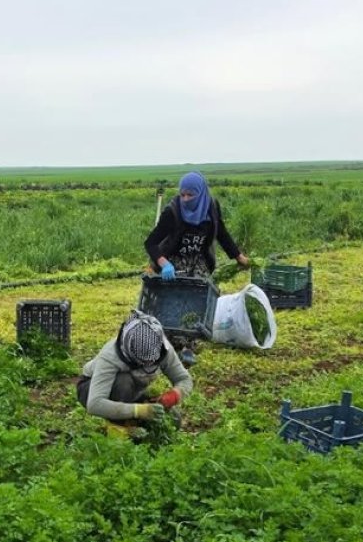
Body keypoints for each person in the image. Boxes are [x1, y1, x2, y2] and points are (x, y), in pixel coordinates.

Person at [144, 171, 250, 366]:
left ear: (200, 193)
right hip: (174, 259)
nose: (185, 199)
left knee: (199, 297)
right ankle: (173, 342)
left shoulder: (211, 207)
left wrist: (239, 256)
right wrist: (164, 263)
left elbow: (221, 233)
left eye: (190, 195)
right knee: (177, 298)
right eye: (182, 194)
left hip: (200, 258)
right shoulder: (173, 212)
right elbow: (151, 243)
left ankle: (189, 346)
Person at [76, 310, 194, 440]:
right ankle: (117, 426)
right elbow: (95, 404)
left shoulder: (162, 349)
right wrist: (139, 411)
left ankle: (131, 421)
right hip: (92, 389)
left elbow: (184, 379)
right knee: (123, 381)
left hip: (133, 393)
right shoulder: (110, 356)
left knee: (173, 419)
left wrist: (174, 395)